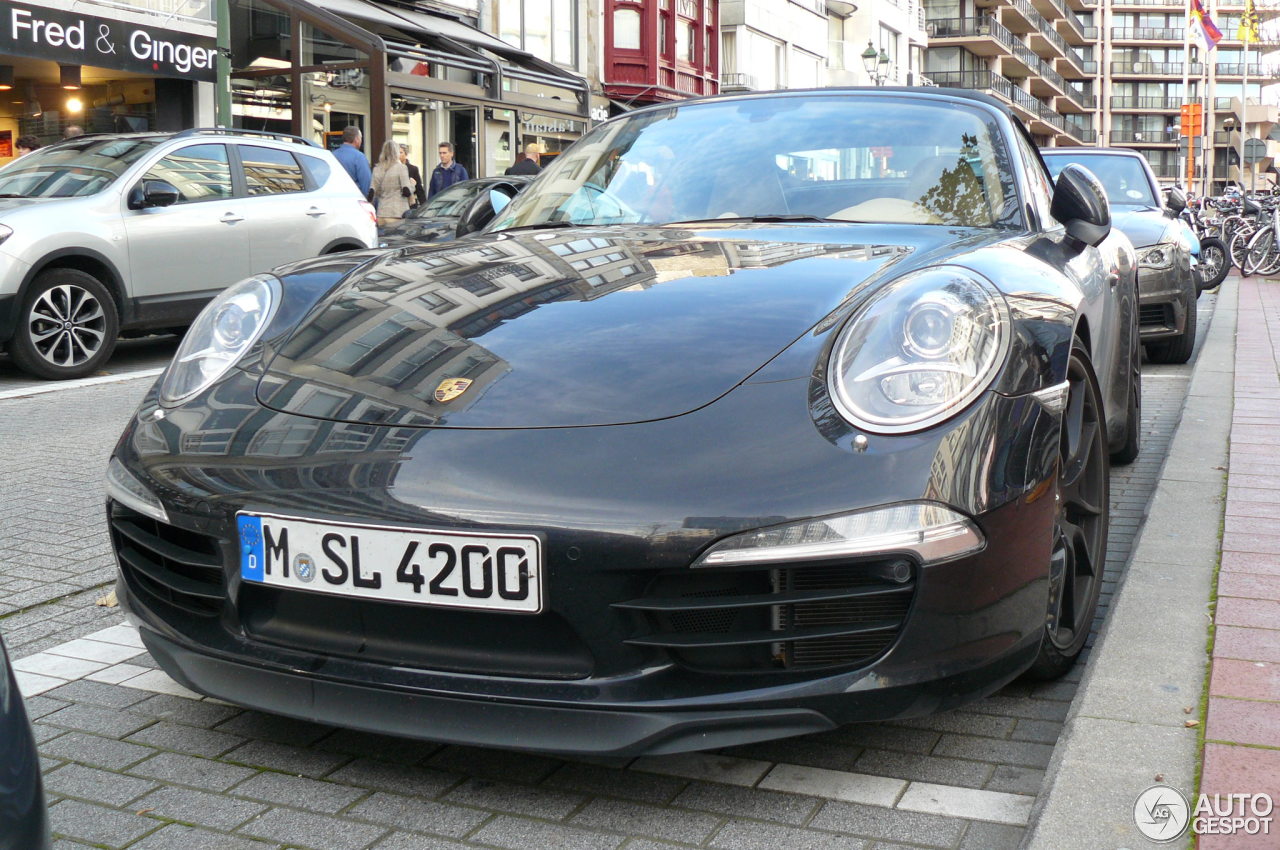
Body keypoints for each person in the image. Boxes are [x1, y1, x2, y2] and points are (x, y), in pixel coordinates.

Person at [370, 140, 414, 225]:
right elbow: (406, 191)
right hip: (397, 213)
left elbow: (372, 191)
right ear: (396, 152)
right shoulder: (401, 168)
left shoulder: (377, 169)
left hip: (381, 213)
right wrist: (413, 185)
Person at [332, 125, 372, 199]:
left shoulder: (332, 155)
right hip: (354, 200)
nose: (361, 141)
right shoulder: (359, 157)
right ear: (356, 139)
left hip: (335, 199)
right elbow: (366, 184)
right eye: (360, 138)